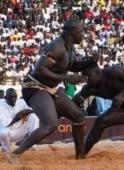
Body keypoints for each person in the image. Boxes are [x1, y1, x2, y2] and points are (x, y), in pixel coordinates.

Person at [7, 18, 99, 163]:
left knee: (79, 117)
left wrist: (90, 61)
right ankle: (15, 154)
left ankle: (80, 155)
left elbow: (72, 65)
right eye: (81, 32)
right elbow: (40, 69)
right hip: (34, 87)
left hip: (49, 89)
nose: (83, 35)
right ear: (74, 32)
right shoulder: (56, 46)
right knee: (50, 124)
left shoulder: (70, 48)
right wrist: (67, 78)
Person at [0, 88, 39, 153]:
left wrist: (22, 112)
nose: (13, 99)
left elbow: (33, 109)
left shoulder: (21, 102)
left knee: (34, 117)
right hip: (8, 131)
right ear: (5, 97)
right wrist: (17, 117)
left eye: (15, 97)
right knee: (1, 132)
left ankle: (31, 145)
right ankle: (6, 149)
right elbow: (5, 123)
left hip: (21, 129)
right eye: (10, 97)